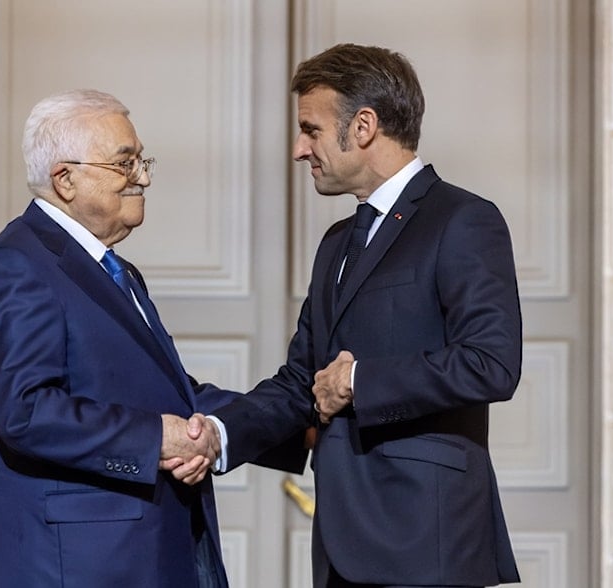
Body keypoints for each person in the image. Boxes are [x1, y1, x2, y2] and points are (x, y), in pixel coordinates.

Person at [204, 43, 524, 587]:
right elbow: (301, 383)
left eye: (311, 129)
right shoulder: (336, 242)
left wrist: (358, 380)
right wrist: (215, 433)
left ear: (364, 126)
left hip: (426, 542)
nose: (299, 149)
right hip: (341, 545)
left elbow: (490, 362)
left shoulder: (464, 220)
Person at [0, 89, 236, 588]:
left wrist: (282, 417)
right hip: (72, 569)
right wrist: (157, 440)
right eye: (124, 164)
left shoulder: (115, 270)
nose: (144, 177)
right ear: (65, 179)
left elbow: (165, 395)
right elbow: (26, 411)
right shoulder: (16, 266)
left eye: (142, 160)